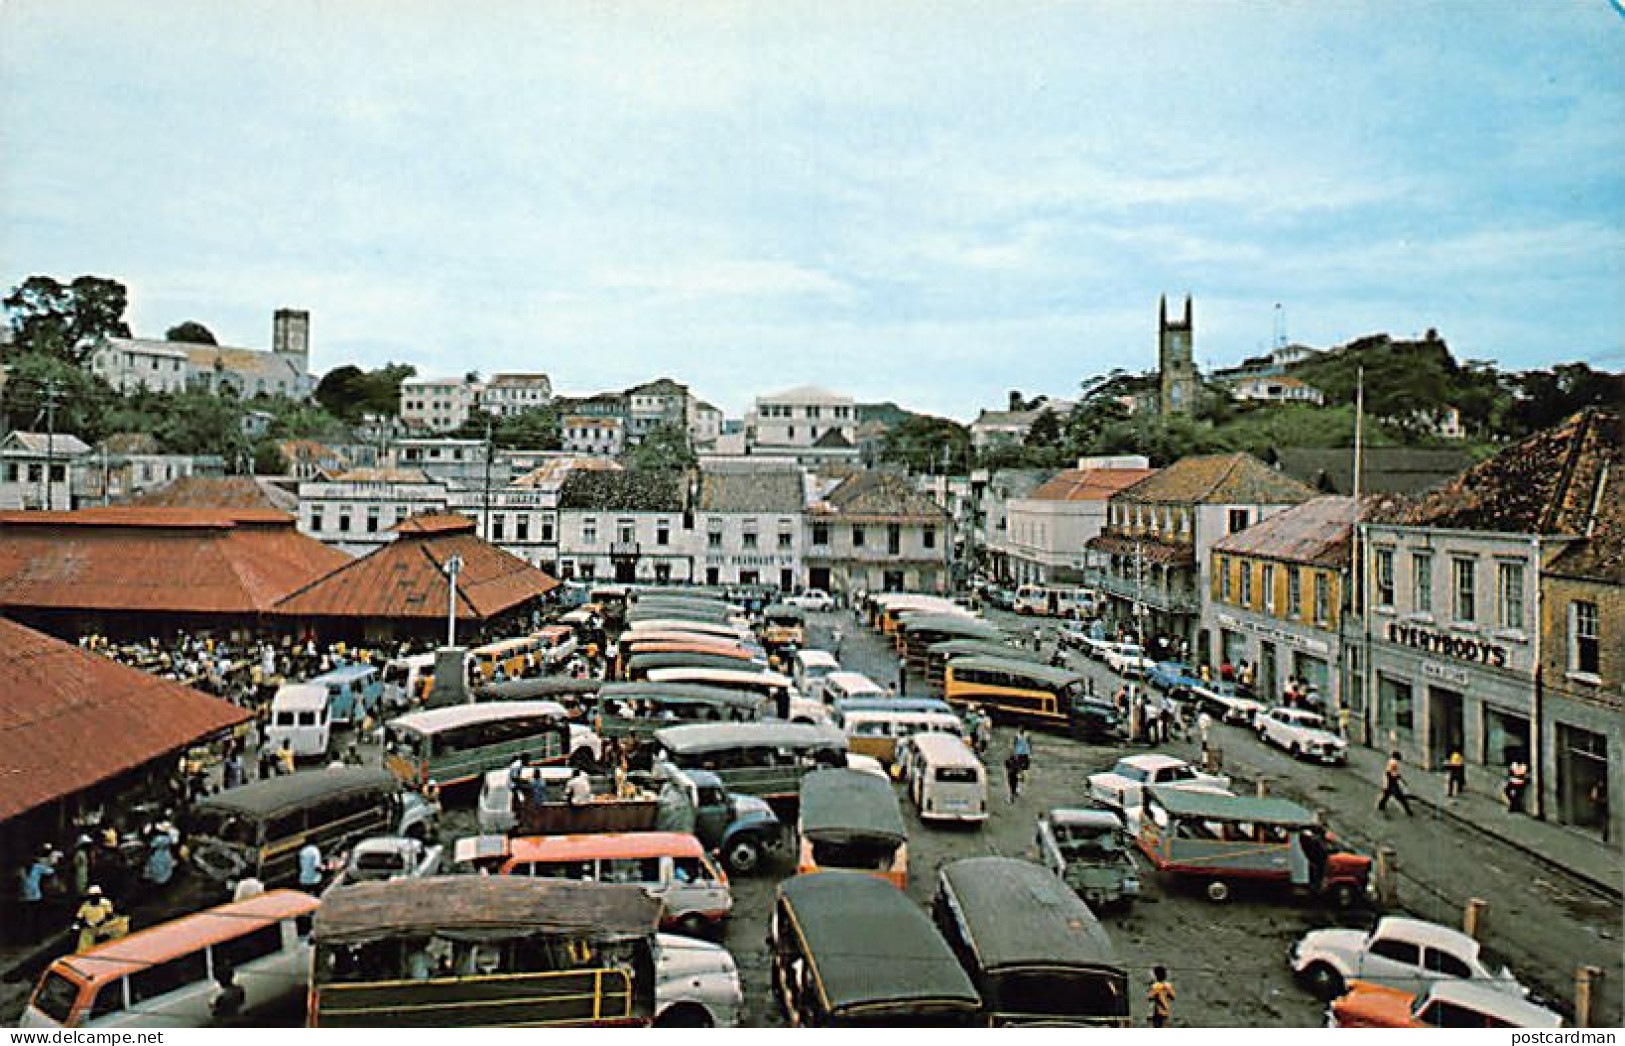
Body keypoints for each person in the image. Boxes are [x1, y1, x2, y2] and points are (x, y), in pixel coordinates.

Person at [16, 851, 54, 945]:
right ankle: (26, 939)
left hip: (36, 897)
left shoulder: (37, 868)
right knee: (26, 920)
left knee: (37, 919)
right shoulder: (21, 870)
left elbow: (50, 871)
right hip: (24, 898)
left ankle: (37, 939)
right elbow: (17, 880)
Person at [74, 886, 116, 953]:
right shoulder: (85, 905)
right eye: (93, 896)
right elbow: (79, 917)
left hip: (104, 926)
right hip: (90, 927)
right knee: (84, 943)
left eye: (97, 896)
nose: (95, 898)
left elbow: (110, 915)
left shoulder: (105, 902)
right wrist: (84, 924)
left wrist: (102, 922)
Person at [1377, 751, 1414, 816]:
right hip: (1392, 782)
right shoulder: (1394, 763)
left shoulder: (1391, 761)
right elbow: (1393, 774)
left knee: (1387, 794)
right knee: (1400, 797)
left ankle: (1381, 806)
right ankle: (1409, 811)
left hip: (1389, 782)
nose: (1400, 758)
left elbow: (1390, 772)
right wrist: (1401, 780)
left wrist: (1400, 779)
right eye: (1399, 757)